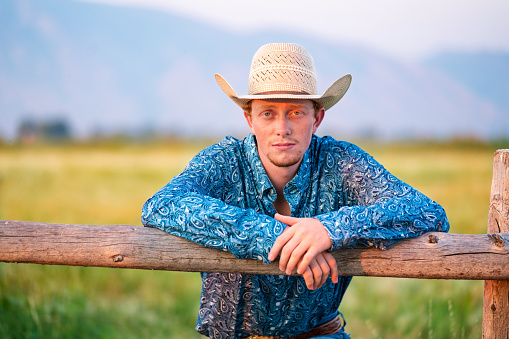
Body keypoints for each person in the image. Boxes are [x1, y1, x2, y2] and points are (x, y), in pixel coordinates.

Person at [141, 43, 449, 338]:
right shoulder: (222, 162)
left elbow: (428, 212)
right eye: (268, 113)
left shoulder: (340, 162)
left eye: (296, 113)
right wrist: (276, 237)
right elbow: (161, 204)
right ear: (249, 119)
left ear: (317, 117)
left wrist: (329, 229)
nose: (282, 128)